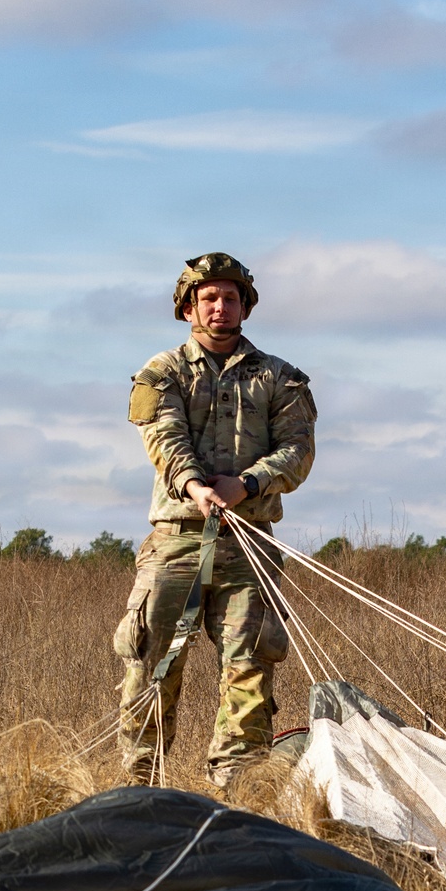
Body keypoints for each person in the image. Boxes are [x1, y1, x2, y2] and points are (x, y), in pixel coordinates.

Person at [114, 252, 317, 786]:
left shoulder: (281, 378)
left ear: (245, 306)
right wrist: (197, 486)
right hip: (177, 539)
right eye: (209, 298)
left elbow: (298, 451)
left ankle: (239, 787)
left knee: (251, 666)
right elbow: (163, 437)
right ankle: (142, 788)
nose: (220, 307)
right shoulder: (162, 372)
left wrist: (247, 483)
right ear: (188, 308)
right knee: (151, 663)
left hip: (249, 541)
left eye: (230, 298)